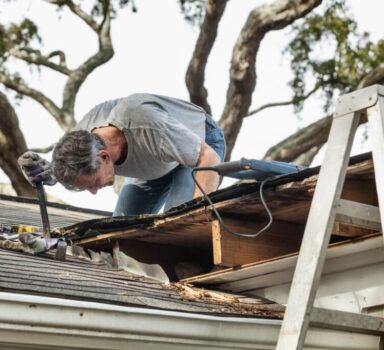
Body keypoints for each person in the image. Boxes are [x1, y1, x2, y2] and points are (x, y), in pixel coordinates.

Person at [18, 93, 226, 216]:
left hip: (199, 143)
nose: (94, 191)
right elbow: (69, 168)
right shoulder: (81, 141)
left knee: (180, 218)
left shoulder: (146, 124)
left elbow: (208, 158)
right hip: (155, 158)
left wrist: (199, 218)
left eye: (94, 183)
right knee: (119, 229)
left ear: (105, 157)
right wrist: (49, 173)